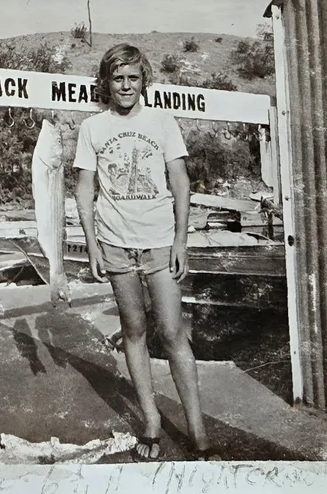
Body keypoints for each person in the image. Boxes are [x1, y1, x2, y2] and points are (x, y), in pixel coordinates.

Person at [73, 44, 217, 461]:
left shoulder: (162, 122)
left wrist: (180, 241)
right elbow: (84, 190)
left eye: (133, 78)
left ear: (144, 80)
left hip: (159, 244)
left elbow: (180, 182)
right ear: (107, 81)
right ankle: (152, 423)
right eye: (118, 78)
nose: (125, 86)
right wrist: (92, 245)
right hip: (115, 244)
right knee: (133, 330)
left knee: (172, 333)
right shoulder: (92, 128)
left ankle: (198, 432)